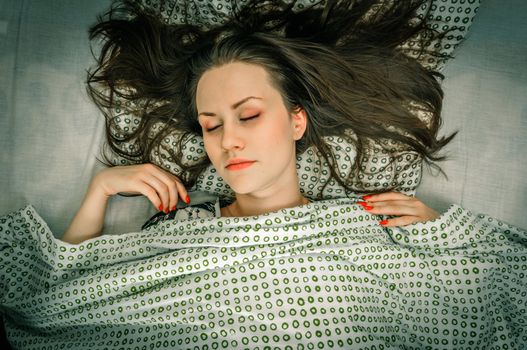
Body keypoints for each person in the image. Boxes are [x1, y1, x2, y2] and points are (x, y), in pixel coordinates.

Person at [62, 0, 451, 244]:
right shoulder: (181, 222)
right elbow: (70, 296)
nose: (228, 140)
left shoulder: (358, 224)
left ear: (296, 122)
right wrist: (101, 189)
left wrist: (442, 237)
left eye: (248, 115)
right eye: (211, 125)